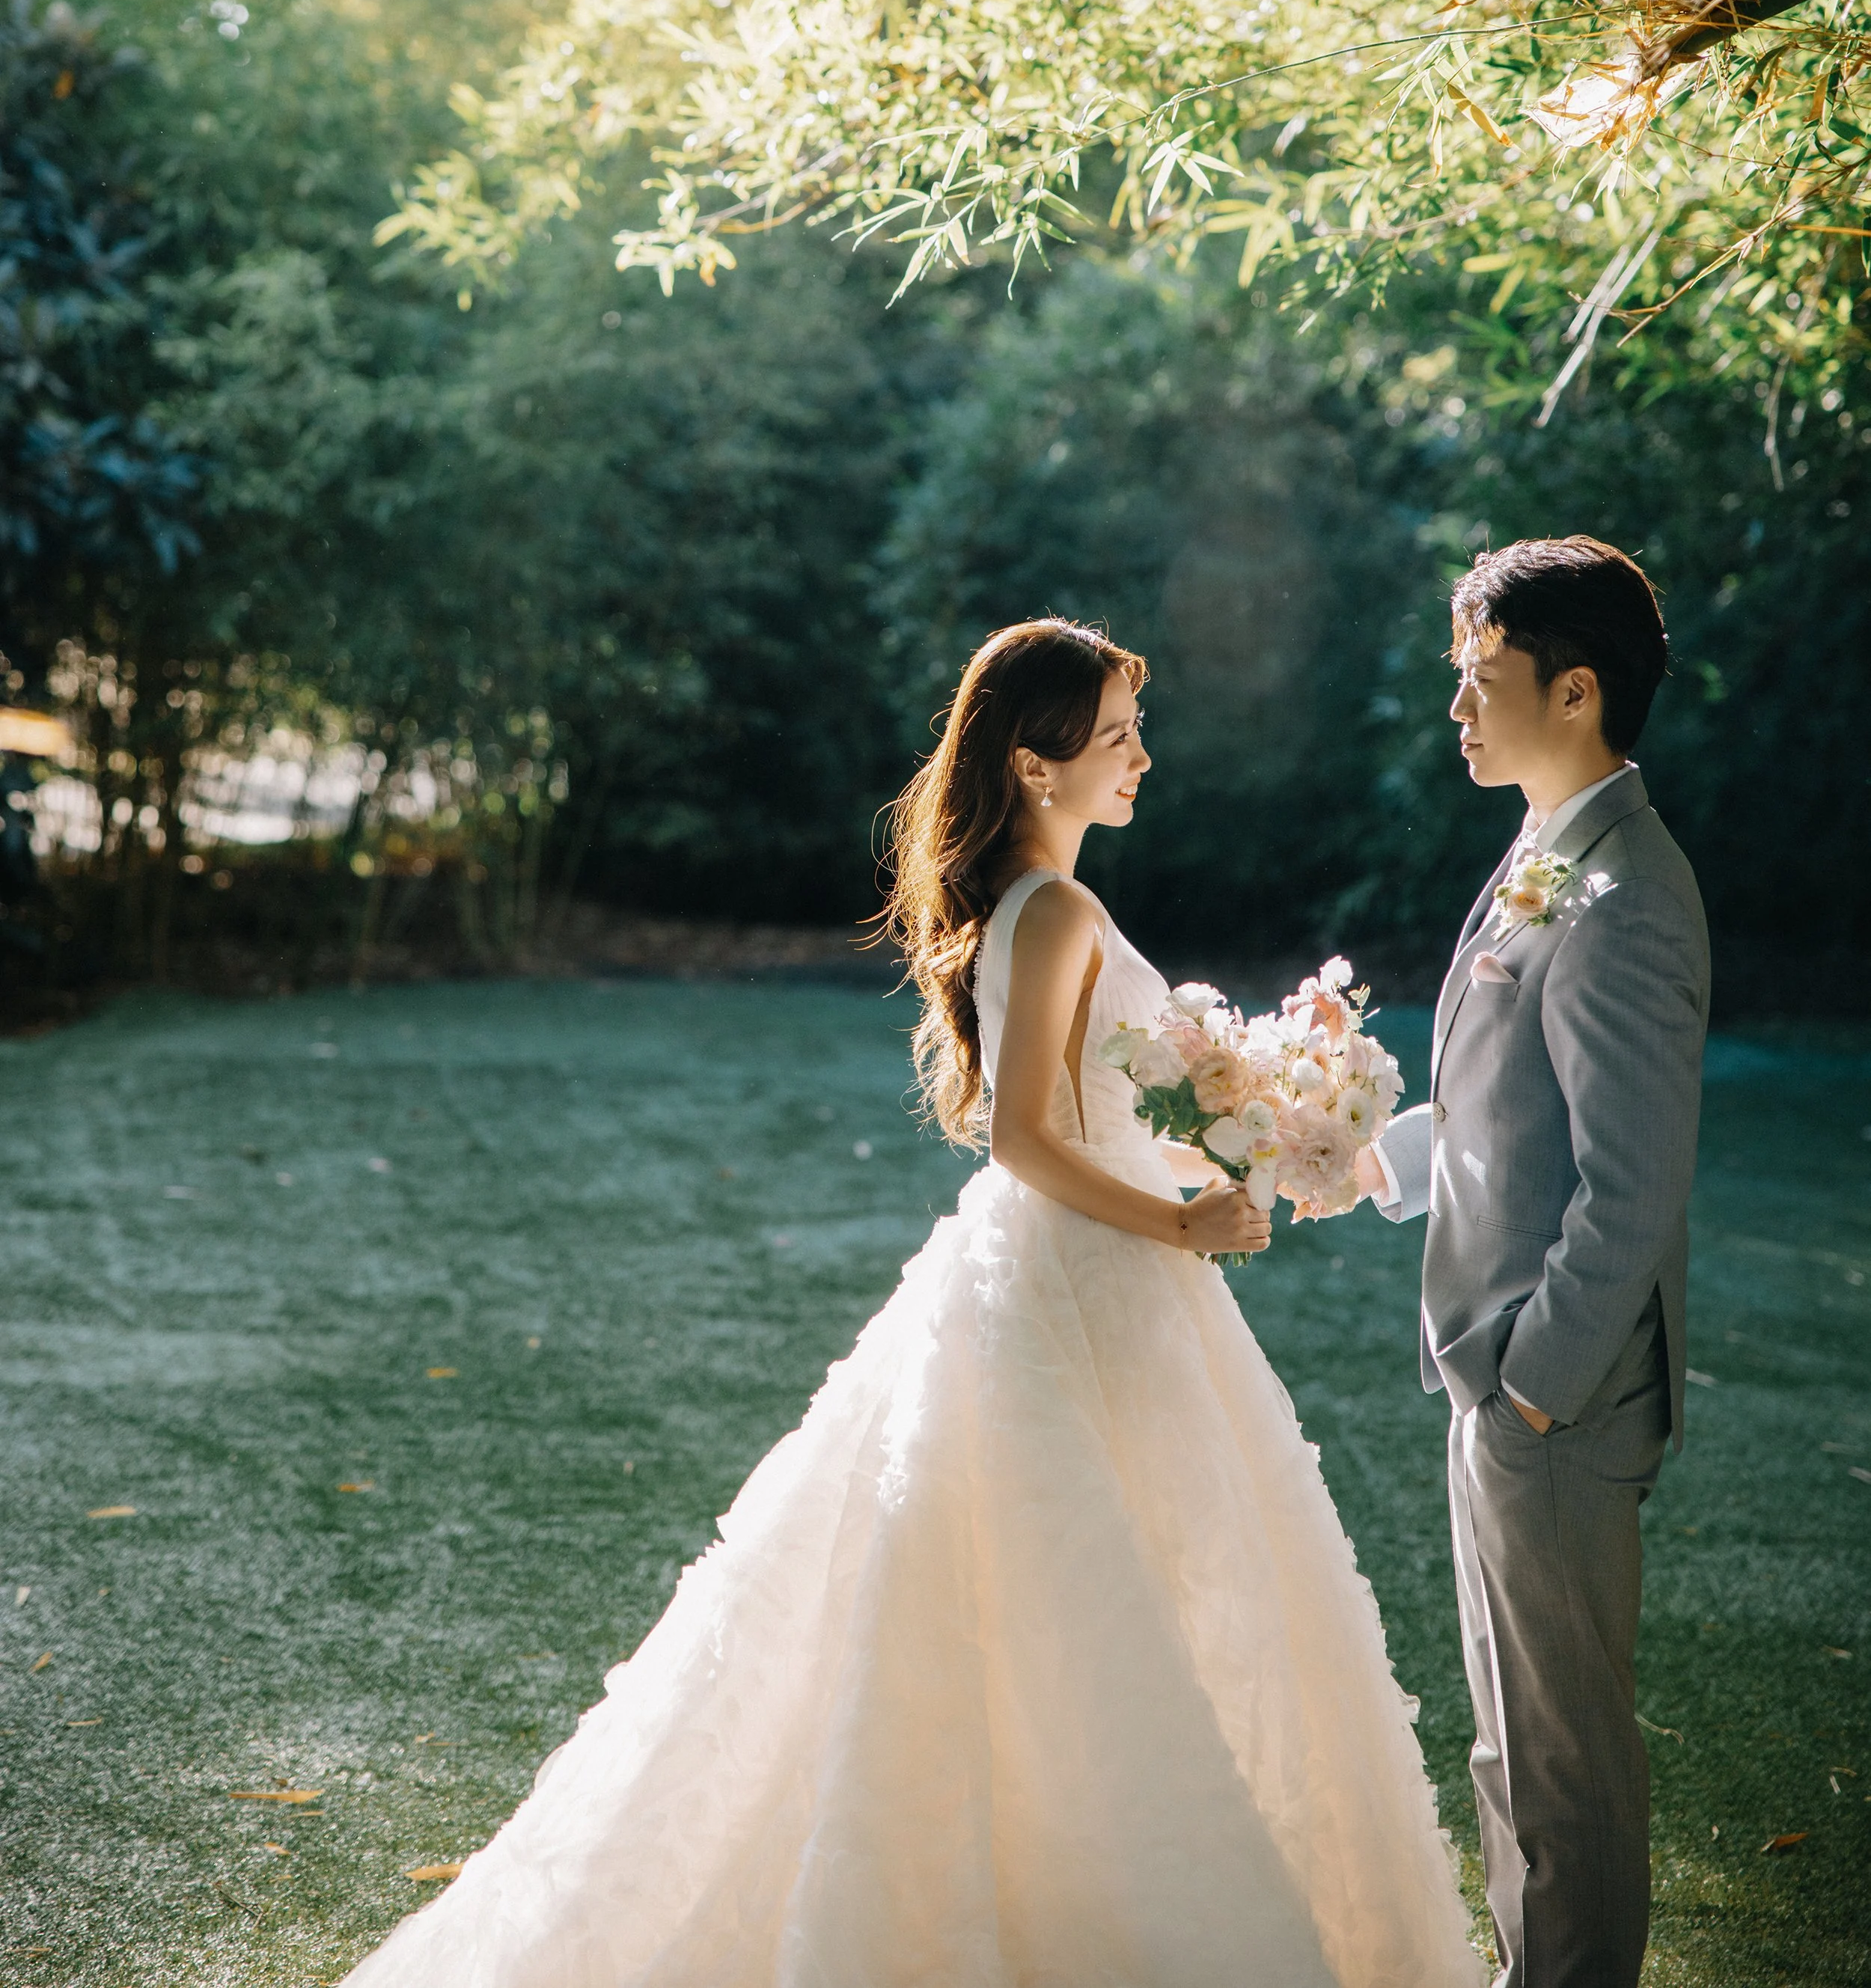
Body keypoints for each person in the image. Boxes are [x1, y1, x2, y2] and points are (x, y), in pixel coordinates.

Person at [343, 616, 1482, 1987]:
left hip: (1088, 1276)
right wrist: (1182, 1215)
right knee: (1086, 1592)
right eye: (1118, 737)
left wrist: (1274, 1129)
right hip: (1084, 1276)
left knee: (1091, 1587)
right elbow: (1023, 1138)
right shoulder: (1052, 909)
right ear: (1036, 761)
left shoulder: (1042, 900)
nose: (1142, 759)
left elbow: (1097, 1114)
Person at [1361, 537, 1709, 1988]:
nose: (1453, 706)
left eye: (1478, 679)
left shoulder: (1622, 892)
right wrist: (1346, 1153)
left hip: (1546, 1399)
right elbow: (1515, 1109)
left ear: (1573, 689)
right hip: (1497, 1378)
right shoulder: (1548, 844)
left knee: (1562, 1767)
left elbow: (1628, 1192)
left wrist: (1531, 1390)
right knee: (1510, 1741)